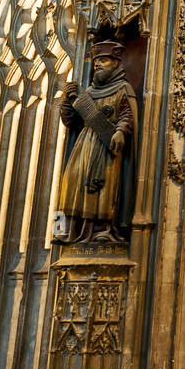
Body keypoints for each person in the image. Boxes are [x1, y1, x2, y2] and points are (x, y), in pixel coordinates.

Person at [56, 40, 137, 242]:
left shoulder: (123, 89)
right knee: (71, 183)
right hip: (83, 145)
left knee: (103, 187)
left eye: (104, 60)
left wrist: (120, 131)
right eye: (96, 61)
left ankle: (102, 230)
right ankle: (65, 230)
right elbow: (71, 121)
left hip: (107, 146)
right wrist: (67, 100)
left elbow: (127, 114)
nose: (98, 64)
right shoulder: (88, 93)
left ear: (116, 64)